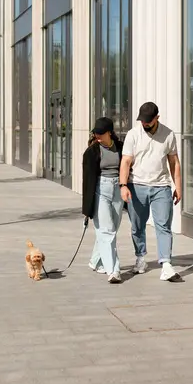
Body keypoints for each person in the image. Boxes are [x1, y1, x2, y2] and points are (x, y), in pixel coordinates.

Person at [119, 102, 183, 282]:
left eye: (148, 121)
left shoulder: (168, 134)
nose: (145, 124)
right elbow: (125, 161)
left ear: (157, 118)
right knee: (137, 226)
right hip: (136, 186)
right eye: (143, 121)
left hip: (161, 187)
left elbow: (174, 163)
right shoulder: (133, 134)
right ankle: (140, 258)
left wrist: (179, 187)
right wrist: (123, 185)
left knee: (163, 225)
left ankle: (166, 264)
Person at [82, 117, 124, 284]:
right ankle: (113, 270)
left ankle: (95, 261)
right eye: (95, 134)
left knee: (112, 228)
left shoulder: (121, 147)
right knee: (107, 231)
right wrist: (87, 209)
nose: (97, 136)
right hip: (101, 190)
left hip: (118, 189)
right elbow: (87, 181)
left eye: (100, 133)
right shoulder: (91, 152)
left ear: (109, 133)